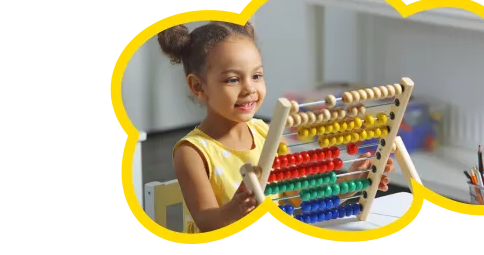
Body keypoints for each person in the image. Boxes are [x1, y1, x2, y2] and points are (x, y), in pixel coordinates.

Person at [157, 21, 395, 233]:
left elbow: (298, 199)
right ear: (198, 87)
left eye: (257, 76)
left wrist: (352, 182)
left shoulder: (266, 134)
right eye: (233, 79)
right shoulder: (192, 152)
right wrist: (235, 208)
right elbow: (206, 222)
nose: (250, 88)